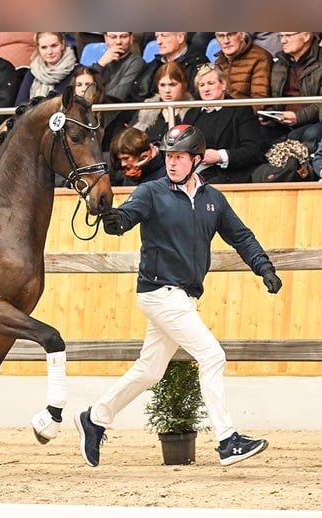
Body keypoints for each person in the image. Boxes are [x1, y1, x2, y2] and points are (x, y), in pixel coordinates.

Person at [74, 124, 282, 468]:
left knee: (150, 370)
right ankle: (228, 439)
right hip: (159, 291)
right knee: (212, 356)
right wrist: (114, 220)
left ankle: (95, 417)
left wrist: (264, 268)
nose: (172, 163)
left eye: (179, 157)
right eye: (169, 156)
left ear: (196, 160)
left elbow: (241, 237)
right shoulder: (151, 191)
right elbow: (127, 216)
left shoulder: (213, 199)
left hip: (183, 297)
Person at [185, 63, 263, 183]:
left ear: (223, 84)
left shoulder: (240, 110)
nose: (206, 89)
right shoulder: (191, 113)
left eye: (211, 83)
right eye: (201, 85)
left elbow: (253, 151)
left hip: (225, 173)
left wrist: (219, 156)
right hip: (192, 171)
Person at [260, 32, 322, 149]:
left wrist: (298, 117)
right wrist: (269, 114)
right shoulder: (280, 62)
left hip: (314, 121)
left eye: (288, 35)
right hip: (282, 122)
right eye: (281, 36)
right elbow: (273, 95)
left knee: (308, 134)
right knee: (256, 132)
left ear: (306, 36)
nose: (283, 41)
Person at [133, 32, 208, 101]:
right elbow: (138, 94)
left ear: (180, 38)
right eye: (157, 37)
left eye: (164, 36)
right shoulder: (153, 65)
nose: (159, 42)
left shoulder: (199, 64)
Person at [133, 61, 194, 143]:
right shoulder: (146, 110)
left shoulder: (193, 112)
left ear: (184, 85)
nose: (167, 90)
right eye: (162, 85)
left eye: (172, 85)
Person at [212, 32, 272, 110]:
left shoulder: (260, 57)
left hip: (245, 116)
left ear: (242, 35)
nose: (226, 41)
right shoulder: (219, 61)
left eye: (231, 34)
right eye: (221, 36)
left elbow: (259, 100)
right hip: (222, 114)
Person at [14, 32, 77, 105]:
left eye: (54, 46)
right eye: (44, 47)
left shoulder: (78, 71)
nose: (50, 52)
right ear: (38, 48)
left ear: (62, 45)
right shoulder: (33, 72)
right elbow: (20, 105)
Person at [91, 32, 146, 102]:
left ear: (131, 38)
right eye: (113, 37)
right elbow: (85, 86)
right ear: (106, 38)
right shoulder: (102, 61)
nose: (118, 42)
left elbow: (117, 96)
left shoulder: (137, 62)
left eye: (123, 36)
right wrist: (100, 64)